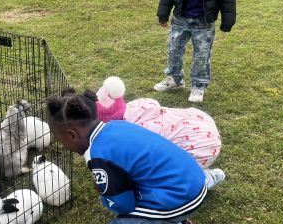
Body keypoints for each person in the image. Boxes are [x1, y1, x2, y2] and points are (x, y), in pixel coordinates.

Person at [48, 89, 209, 224]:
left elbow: (124, 205)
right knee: (148, 186)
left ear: (72, 135)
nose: (61, 143)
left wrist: (107, 198)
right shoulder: (115, 125)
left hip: (177, 200)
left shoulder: (98, 154)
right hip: (196, 185)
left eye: (60, 138)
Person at [96, 76, 226, 188]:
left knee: (158, 178)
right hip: (199, 124)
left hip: (200, 145)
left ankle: (202, 180)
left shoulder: (133, 133)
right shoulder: (134, 107)